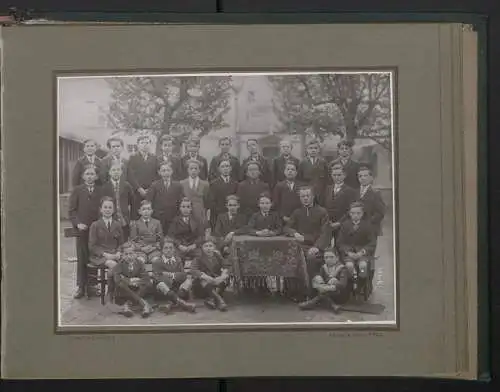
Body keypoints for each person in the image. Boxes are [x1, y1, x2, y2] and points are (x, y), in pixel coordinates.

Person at [284, 186, 329, 298]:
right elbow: (287, 227)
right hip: (300, 246)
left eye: (307, 196)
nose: (305, 198)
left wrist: (317, 247)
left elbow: (325, 233)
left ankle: (311, 292)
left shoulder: (322, 212)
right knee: (289, 257)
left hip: (315, 246)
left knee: (311, 258)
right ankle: (294, 291)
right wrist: (294, 233)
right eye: (302, 196)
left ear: (313, 197)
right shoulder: (297, 212)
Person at [68, 166, 102, 299]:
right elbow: (72, 211)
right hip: (82, 230)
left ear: (96, 177)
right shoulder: (77, 190)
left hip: (95, 230)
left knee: (94, 257)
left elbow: (104, 208)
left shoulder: (100, 190)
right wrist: (78, 223)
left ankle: (92, 286)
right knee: (82, 258)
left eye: (92, 174)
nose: (89, 176)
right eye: (87, 174)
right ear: (83, 176)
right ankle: (81, 286)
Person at [88, 196, 125, 299]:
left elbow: (121, 243)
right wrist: (104, 254)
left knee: (128, 263)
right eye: (105, 207)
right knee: (113, 265)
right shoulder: (95, 225)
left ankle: (120, 291)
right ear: (101, 209)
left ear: (113, 210)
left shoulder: (117, 225)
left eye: (110, 207)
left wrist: (118, 252)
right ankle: (112, 292)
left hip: (115, 254)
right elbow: (92, 246)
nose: (107, 210)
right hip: (100, 256)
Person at [298, 248, 351, 313]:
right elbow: (320, 280)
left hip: (340, 294)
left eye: (331, 257)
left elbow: (343, 285)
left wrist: (331, 286)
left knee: (329, 287)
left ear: (337, 258)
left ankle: (312, 303)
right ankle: (333, 306)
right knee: (317, 280)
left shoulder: (342, 268)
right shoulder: (324, 267)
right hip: (328, 294)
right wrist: (320, 285)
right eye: (326, 257)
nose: (329, 259)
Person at [152, 239, 197, 314]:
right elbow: (157, 277)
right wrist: (175, 276)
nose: (168, 250)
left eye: (171, 248)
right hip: (164, 290)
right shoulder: (157, 261)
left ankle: (170, 303)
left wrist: (171, 275)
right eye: (166, 248)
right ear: (162, 250)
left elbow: (183, 275)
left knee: (188, 281)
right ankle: (184, 304)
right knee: (161, 284)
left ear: (174, 249)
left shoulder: (178, 259)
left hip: (177, 288)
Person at [336, 202, 376, 281]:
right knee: (349, 266)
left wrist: (362, 252)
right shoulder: (345, 225)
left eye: (358, 213)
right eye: (353, 213)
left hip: (362, 254)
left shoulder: (367, 226)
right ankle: (351, 282)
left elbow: (372, 243)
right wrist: (348, 252)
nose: (355, 215)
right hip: (349, 254)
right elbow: (340, 243)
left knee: (363, 267)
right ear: (349, 214)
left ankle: (361, 283)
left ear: (362, 214)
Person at [112, 242, 153, 318]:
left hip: (137, 289)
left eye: (131, 254)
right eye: (126, 254)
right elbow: (117, 279)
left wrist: (137, 281)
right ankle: (144, 304)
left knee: (148, 283)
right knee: (121, 284)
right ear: (122, 255)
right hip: (124, 292)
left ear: (135, 254)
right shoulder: (120, 265)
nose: (129, 256)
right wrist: (130, 281)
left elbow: (146, 278)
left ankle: (128, 305)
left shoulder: (140, 263)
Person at [320, 163, 357, 243]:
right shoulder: (327, 189)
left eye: (339, 175)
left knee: (340, 247)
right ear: (331, 176)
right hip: (328, 224)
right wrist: (327, 221)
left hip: (342, 226)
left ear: (344, 175)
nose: (337, 177)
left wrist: (339, 223)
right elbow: (323, 206)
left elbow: (351, 210)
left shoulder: (350, 191)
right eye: (334, 175)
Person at [191, 238, 231, 311]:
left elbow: (226, 265)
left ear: (214, 247)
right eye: (206, 246)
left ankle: (212, 299)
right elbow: (193, 270)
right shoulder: (198, 257)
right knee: (203, 280)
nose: (208, 248)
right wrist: (206, 277)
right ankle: (220, 300)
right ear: (202, 248)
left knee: (225, 278)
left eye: (210, 246)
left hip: (216, 284)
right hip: (202, 288)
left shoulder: (217, 255)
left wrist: (222, 277)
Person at [147, 161, 184, 234]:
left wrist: (179, 216)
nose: (166, 173)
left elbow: (181, 202)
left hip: (173, 217)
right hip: (158, 218)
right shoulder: (154, 185)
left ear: (172, 171)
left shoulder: (178, 185)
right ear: (159, 172)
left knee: (172, 237)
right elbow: (149, 202)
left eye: (168, 170)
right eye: (163, 171)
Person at [127, 135, 158, 220]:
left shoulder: (154, 158)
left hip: (151, 191)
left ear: (150, 145)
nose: (145, 145)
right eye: (142, 143)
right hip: (137, 191)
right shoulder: (133, 157)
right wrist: (139, 188)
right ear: (138, 145)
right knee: (136, 213)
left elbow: (156, 175)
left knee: (149, 212)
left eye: (147, 143)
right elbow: (130, 175)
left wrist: (151, 188)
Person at [101, 163, 134, 241]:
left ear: (121, 172)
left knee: (125, 241)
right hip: (111, 219)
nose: (116, 172)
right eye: (113, 170)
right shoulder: (105, 187)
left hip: (124, 219)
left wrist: (132, 218)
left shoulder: (127, 185)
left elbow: (132, 201)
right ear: (109, 172)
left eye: (118, 170)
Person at [207, 159, 239, 230]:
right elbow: (211, 202)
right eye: (223, 166)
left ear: (230, 168)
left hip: (232, 217)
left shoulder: (236, 183)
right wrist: (223, 213)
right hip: (217, 217)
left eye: (227, 166)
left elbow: (237, 200)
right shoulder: (213, 184)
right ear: (219, 169)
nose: (225, 168)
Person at [129, 200, 163, 264]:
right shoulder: (135, 224)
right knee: (140, 261)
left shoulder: (157, 223)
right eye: (144, 209)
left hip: (154, 250)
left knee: (156, 261)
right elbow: (133, 241)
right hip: (140, 251)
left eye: (148, 209)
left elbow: (160, 239)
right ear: (139, 211)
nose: (146, 211)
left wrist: (153, 247)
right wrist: (142, 248)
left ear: (152, 211)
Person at [180, 159, 210, 227]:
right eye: (191, 168)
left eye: (196, 168)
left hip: (200, 214)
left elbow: (206, 201)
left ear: (199, 170)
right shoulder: (182, 183)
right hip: (186, 213)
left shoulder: (205, 184)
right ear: (187, 170)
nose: (193, 170)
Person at [357, 166, 386, 237]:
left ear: (371, 178)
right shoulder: (354, 192)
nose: (362, 178)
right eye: (360, 176)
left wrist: (368, 223)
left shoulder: (375, 193)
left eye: (365, 176)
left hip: (370, 229)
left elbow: (380, 213)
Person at [272, 161, 304, 225]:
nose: (290, 171)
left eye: (292, 170)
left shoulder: (302, 186)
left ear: (296, 173)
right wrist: (282, 216)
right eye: (288, 169)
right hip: (283, 219)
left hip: (298, 219)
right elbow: (276, 203)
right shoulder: (279, 186)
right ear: (284, 172)